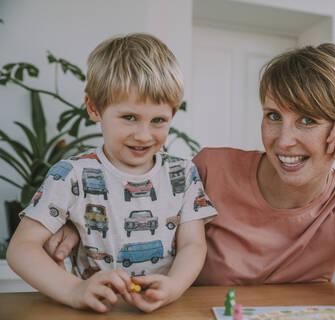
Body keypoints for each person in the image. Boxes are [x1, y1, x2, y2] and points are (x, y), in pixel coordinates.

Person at [45, 43, 335, 306]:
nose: (283, 141)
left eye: (308, 121)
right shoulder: (211, 167)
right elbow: (135, 197)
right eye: (273, 116)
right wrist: (81, 224)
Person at [6, 33, 217, 313]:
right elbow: (21, 249)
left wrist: (174, 287)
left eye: (158, 120)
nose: (143, 135)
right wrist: (74, 290)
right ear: (94, 108)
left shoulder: (183, 173)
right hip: (93, 310)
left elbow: (193, 244)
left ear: (173, 115)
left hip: (163, 310)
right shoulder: (70, 174)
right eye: (129, 117)